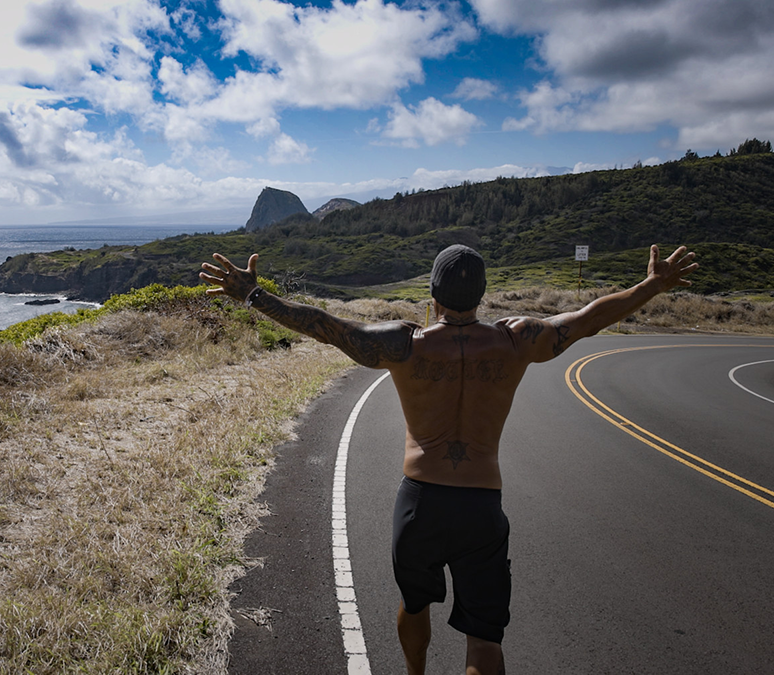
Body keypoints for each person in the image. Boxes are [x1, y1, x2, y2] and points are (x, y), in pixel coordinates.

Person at [201, 243, 698, 675]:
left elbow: (327, 327)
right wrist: (650, 286)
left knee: (415, 604)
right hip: (481, 506)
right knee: (485, 636)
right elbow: (587, 320)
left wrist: (253, 294)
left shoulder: (403, 344)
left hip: (420, 503)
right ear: (480, 296)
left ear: (431, 298)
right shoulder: (515, 341)